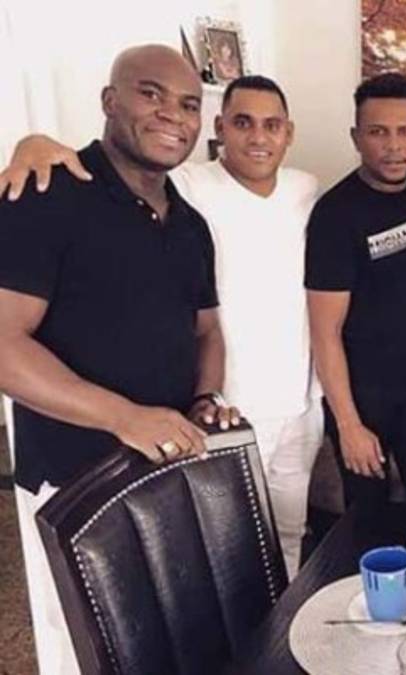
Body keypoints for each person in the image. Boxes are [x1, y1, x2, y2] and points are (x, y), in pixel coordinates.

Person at [0, 75, 324, 578]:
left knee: (286, 536)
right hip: (230, 414)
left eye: (272, 125)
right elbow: (116, 161)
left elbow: (207, 326)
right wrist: (32, 143)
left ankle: (280, 626)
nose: (259, 137)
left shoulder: (306, 189)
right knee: (227, 552)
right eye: (243, 123)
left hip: (287, 405)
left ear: (289, 133)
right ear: (219, 128)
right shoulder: (187, 184)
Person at [0, 45, 238, 675]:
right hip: (75, 481)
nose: (172, 116)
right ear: (110, 101)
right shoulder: (46, 193)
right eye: (150, 94)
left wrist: (205, 399)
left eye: (188, 104)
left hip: (163, 468)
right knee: (90, 646)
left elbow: (207, 332)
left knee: (164, 636)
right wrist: (124, 416)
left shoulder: (189, 224)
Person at [305, 73, 406, 513]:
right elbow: (324, 332)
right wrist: (348, 425)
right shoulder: (335, 216)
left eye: (405, 132)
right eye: (378, 132)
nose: (393, 146)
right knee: (367, 519)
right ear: (356, 138)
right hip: (361, 396)